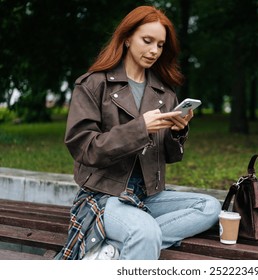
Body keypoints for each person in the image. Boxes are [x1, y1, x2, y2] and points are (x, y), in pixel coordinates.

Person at [56, 5, 221, 260]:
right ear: (126, 38)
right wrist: (140, 129)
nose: (154, 50)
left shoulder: (164, 93)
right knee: (145, 232)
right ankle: (136, 238)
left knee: (209, 207)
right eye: (147, 41)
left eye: (160, 45)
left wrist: (178, 132)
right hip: (104, 196)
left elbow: (170, 155)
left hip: (147, 196)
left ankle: (114, 250)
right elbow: (84, 148)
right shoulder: (93, 84)